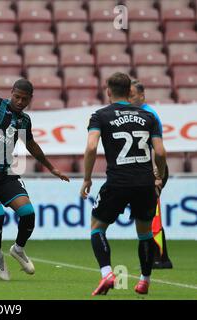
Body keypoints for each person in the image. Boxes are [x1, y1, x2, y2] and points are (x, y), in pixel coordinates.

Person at [0, 79, 70, 281]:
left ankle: (18, 249)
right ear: (12, 93)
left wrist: (52, 168)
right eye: (17, 97)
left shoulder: (24, 120)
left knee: (28, 212)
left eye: (24, 99)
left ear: (29, 100)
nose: (19, 101)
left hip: (4, 174)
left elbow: (31, 144)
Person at [80, 72, 167, 296]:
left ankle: (107, 273)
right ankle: (144, 281)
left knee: (97, 227)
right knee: (145, 233)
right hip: (145, 183)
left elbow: (91, 148)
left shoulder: (100, 116)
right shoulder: (149, 117)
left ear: (108, 91)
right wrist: (159, 178)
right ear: (130, 92)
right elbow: (159, 152)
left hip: (117, 182)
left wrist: (87, 178)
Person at [130, 79, 173, 269]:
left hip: (153, 168)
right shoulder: (136, 114)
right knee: (147, 212)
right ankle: (159, 257)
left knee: (151, 212)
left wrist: (157, 173)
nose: (129, 99)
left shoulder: (149, 115)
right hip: (145, 168)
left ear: (142, 96)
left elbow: (156, 146)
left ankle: (159, 257)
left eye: (132, 95)